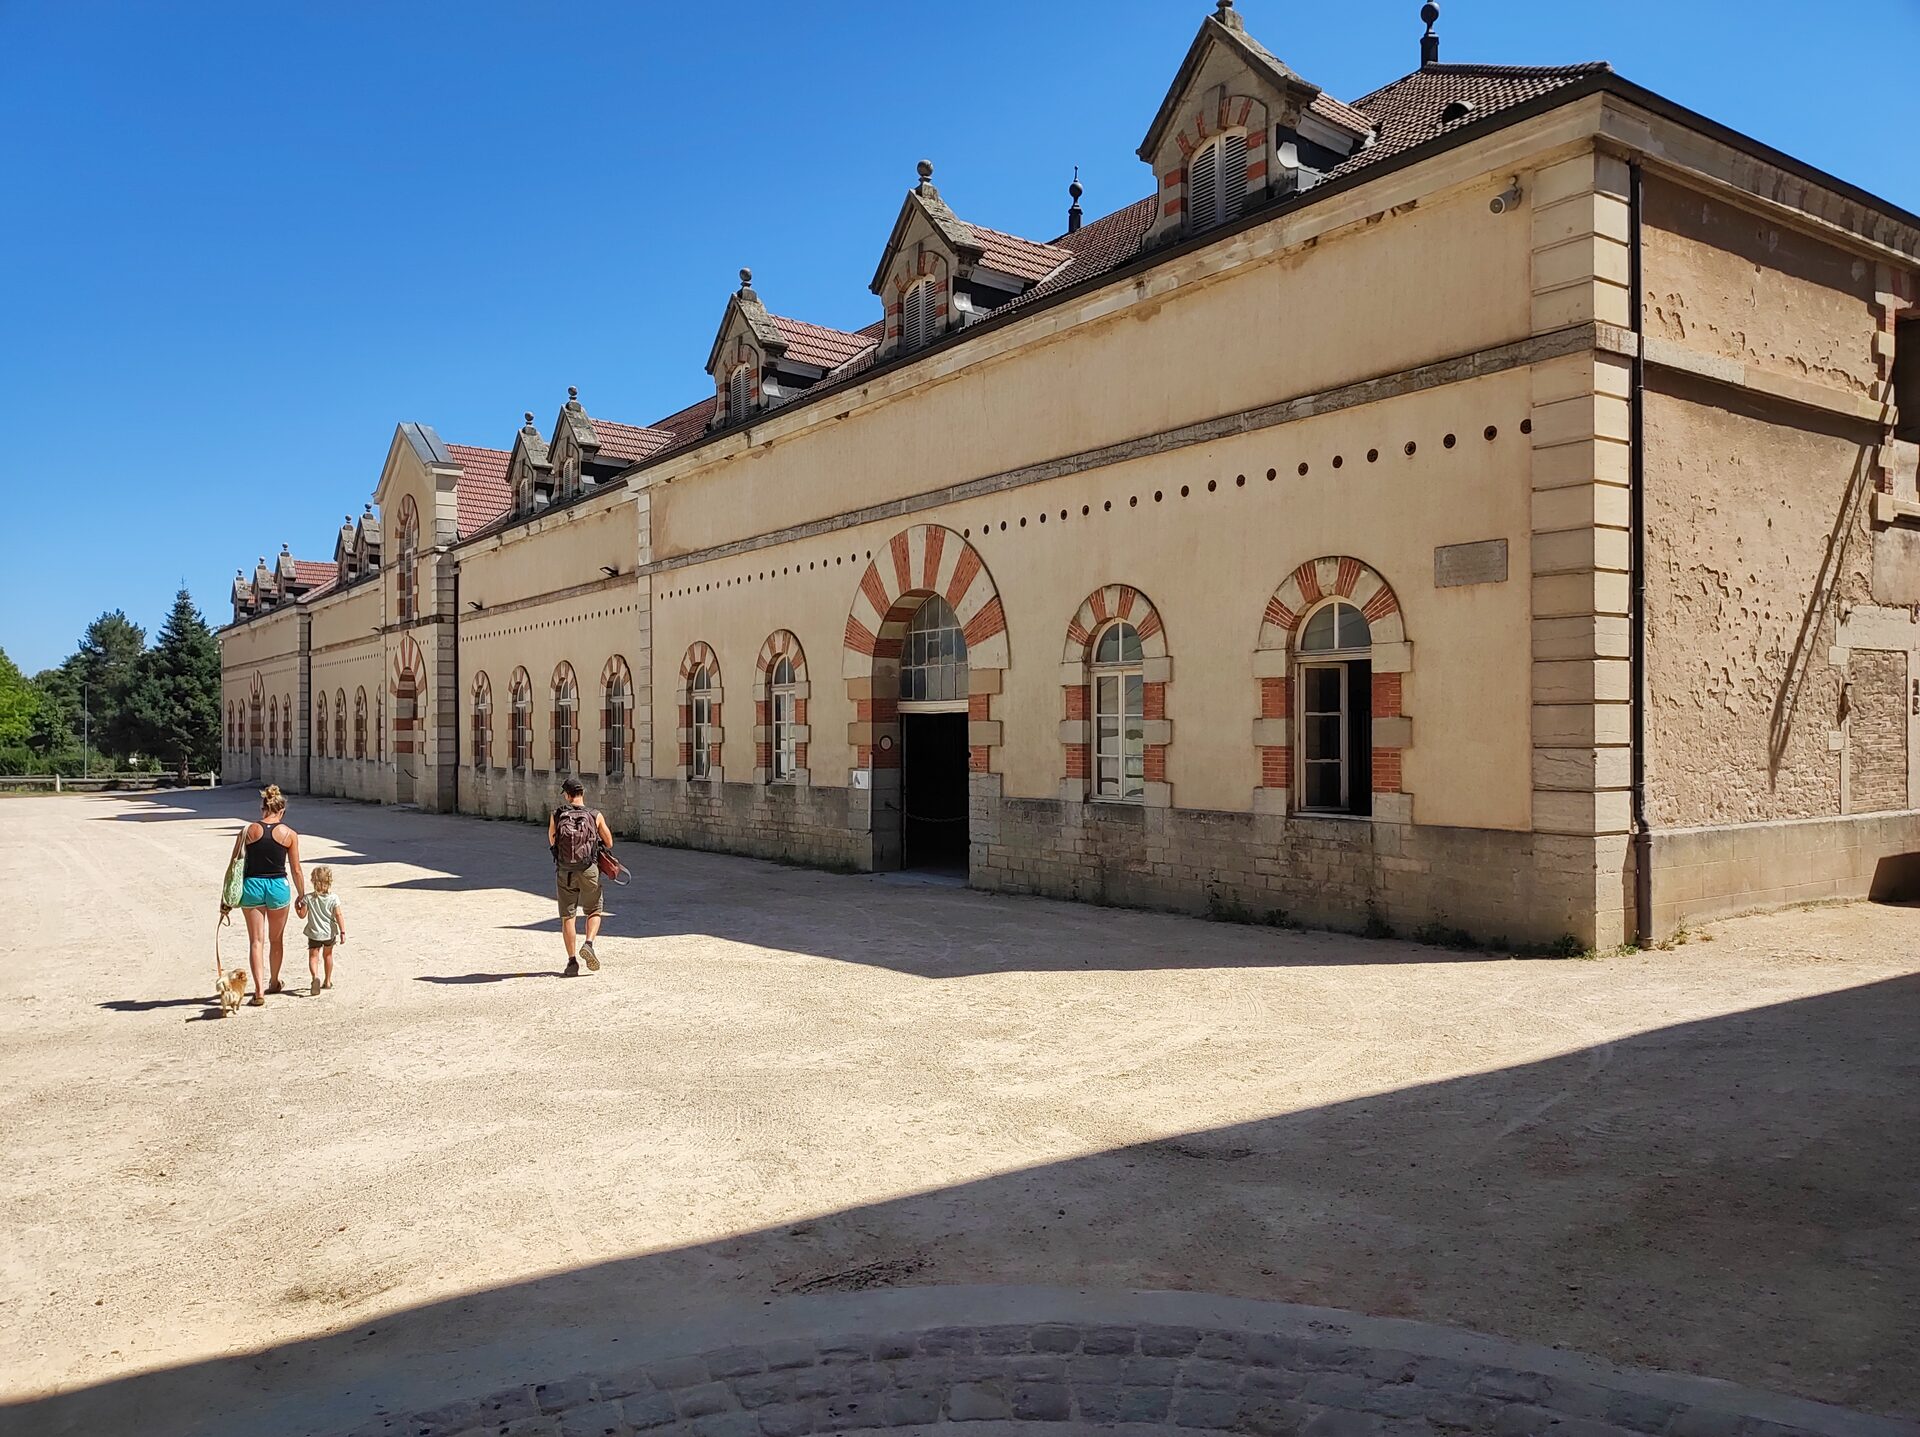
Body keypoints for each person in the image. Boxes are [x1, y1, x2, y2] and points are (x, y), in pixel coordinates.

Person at [227, 784, 308, 1006]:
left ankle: (259, 990)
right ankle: (273, 981)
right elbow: (296, 869)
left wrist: (227, 897)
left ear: (263, 808)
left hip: (252, 886)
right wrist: (303, 896)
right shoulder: (289, 834)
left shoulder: (248, 831)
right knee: (276, 940)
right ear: (281, 811)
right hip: (278, 887)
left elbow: (235, 865)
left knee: (256, 941)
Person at [548, 777, 614, 976]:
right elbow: (609, 842)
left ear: (567, 795)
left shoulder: (557, 815)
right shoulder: (595, 815)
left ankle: (571, 962)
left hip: (565, 871)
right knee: (594, 910)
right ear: (582, 793)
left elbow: (552, 841)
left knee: (568, 916)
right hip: (589, 869)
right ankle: (589, 943)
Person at [302, 865, 347, 996]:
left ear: (313, 881)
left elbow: (302, 915)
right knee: (328, 955)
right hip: (329, 933)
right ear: (329, 881)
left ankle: (315, 977)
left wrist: (297, 907)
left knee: (313, 956)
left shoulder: (308, 898)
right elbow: (338, 915)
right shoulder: (334, 898)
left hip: (314, 932)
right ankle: (327, 981)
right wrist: (343, 932)